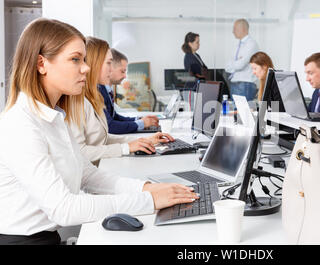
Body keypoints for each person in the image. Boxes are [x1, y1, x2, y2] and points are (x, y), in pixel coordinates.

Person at [0, 18, 198, 245]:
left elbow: (88, 175)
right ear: (41, 64)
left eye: (84, 59)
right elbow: (64, 209)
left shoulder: (54, 117)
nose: (86, 67)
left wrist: (148, 188)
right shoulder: (20, 125)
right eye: (75, 59)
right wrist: (149, 200)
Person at [68, 37, 174, 166]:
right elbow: (80, 152)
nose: (111, 70)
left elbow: (103, 139)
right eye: (108, 63)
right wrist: (127, 148)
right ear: (95, 63)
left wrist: (144, 140)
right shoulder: (76, 101)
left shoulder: (93, 98)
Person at [99, 48, 159, 134]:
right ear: (110, 68)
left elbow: (114, 117)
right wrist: (141, 123)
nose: (124, 76)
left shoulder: (106, 89)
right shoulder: (99, 90)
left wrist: (138, 120)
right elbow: (110, 126)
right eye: (122, 71)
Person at [225, 18, 259, 101]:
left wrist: (235, 63)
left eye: (235, 29)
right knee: (235, 112)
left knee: (244, 113)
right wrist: (236, 63)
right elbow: (227, 66)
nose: (233, 31)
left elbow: (241, 65)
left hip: (245, 84)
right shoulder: (238, 44)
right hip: (235, 83)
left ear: (243, 29)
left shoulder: (251, 44)